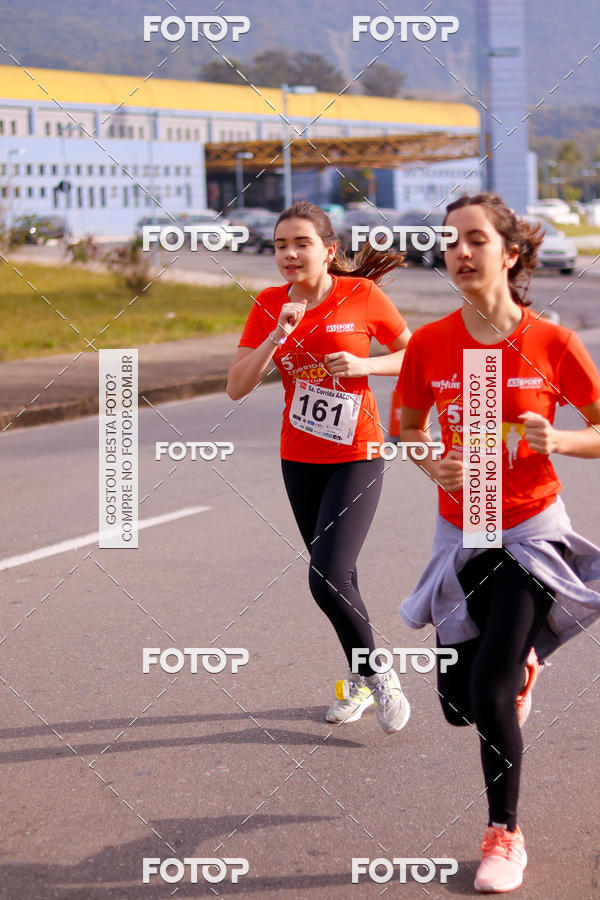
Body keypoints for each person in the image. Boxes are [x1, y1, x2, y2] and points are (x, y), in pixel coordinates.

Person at [398, 192, 600, 892]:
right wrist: (432, 462)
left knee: (490, 688)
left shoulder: (552, 344)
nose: (460, 251)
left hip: (531, 532)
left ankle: (503, 834)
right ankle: (521, 667)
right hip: (464, 532)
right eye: (450, 239)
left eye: (476, 239)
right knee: (459, 704)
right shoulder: (429, 344)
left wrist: (561, 440)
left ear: (510, 253)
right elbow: (409, 427)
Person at [227, 201, 411, 734]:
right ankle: (361, 677)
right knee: (339, 578)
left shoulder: (362, 295)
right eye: (281, 245)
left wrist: (366, 364)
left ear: (329, 251)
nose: (289, 253)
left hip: (358, 452)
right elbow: (236, 387)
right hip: (299, 457)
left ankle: (380, 674)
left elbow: (415, 354)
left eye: (301, 243)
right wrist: (276, 336)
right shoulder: (269, 304)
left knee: (326, 576)